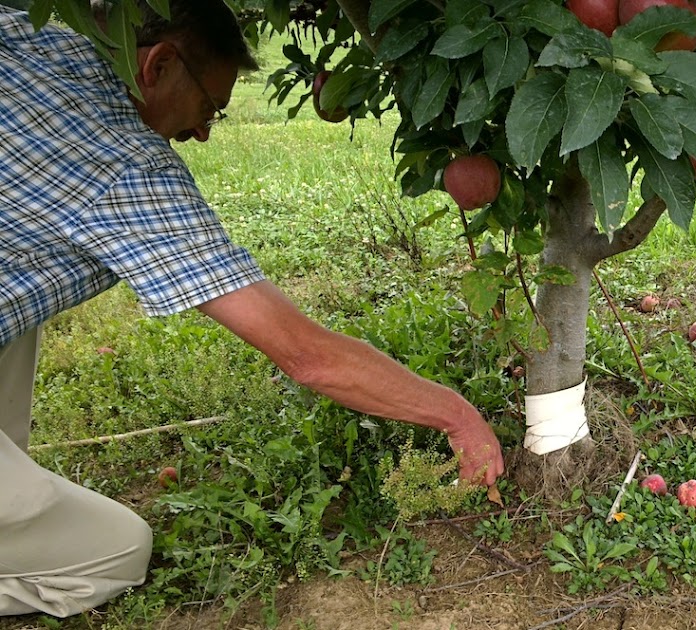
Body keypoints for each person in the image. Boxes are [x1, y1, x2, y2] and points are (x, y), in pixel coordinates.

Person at [0, 1, 504, 617]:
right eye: (210, 106)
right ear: (157, 65)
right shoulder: (123, 166)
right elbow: (306, 355)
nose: (205, 133)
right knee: (116, 551)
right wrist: (457, 416)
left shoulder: (32, 27)